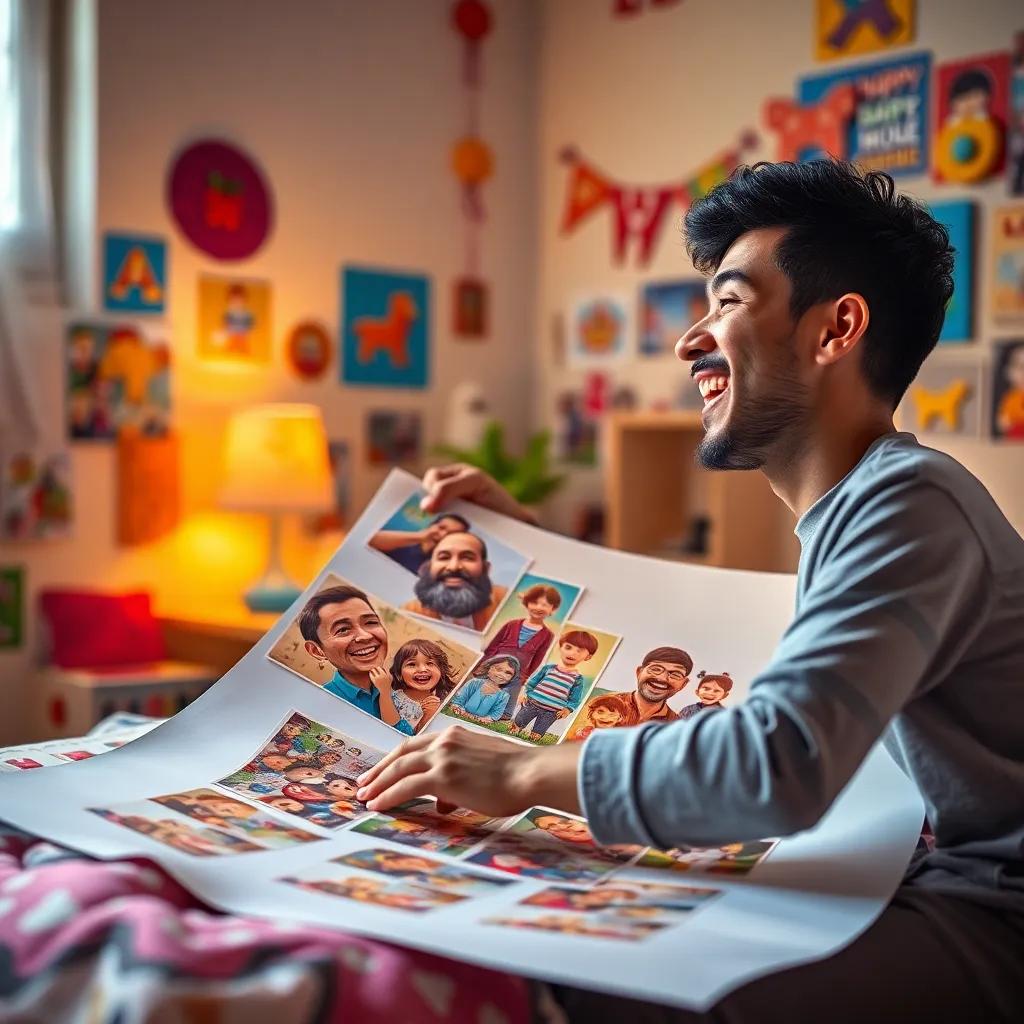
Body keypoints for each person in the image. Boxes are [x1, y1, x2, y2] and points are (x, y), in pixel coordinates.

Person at [356, 160, 1024, 1022]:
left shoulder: (907, 501)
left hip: (993, 911)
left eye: (731, 301)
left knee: (596, 987)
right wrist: (528, 542)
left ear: (836, 330)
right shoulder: (864, 507)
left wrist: (521, 770)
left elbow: (780, 758)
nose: (689, 340)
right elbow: (708, 655)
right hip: (924, 873)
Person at [297, 584, 415, 735]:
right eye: (343, 629)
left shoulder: (406, 685)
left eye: (371, 622)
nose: (365, 636)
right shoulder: (321, 706)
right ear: (317, 650)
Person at [402, 531, 508, 630]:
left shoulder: (507, 602)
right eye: (444, 557)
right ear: (429, 567)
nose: (453, 567)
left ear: (485, 568)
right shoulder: (409, 613)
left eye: (467, 557)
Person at [482, 584, 562, 713]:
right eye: (534, 602)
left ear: (553, 609)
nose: (538, 607)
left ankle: (504, 713)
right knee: (484, 688)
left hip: (517, 673)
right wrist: (484, 664)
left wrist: (525, 676)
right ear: (527, 603)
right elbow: (492, 647)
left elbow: (537, 659)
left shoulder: (547, 635)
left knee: (511, 691)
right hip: (494, 667)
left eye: (545, 605)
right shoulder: (511, 624)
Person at [510, 630, 597, 741]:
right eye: (568, 647)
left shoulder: (578, 679)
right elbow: (532, 682)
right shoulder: (549, 668)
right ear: (560, 648)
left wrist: (568, 709)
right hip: (532, 703)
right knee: (519, 721)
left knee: (538, 731)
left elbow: (575, 699)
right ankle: (516, 729)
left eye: (579, 651)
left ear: (588, 656)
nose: (572, 653)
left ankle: (534, 736)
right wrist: (525, 694)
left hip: (552, 712)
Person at [387, 638, 458, 732]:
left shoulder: (442, 706)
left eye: (430, 663)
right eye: (412, 664)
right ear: (399, 673)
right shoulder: (392, 699)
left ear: (441, 671)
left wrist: (432, 713)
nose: (422, 669)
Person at [369, 512, 471, 574]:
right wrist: (420, 536)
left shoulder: (442, 565)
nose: (443, 534)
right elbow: (371, 540)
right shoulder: (403, 541)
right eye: (441, 527)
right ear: (431, 525)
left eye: (451, 534)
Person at [615, 646, 694, 725]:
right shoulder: (606, 703)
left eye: (676, 674)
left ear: (683, 684)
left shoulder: (675, 728)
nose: (662, 678)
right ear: (639, 672)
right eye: (655, 669)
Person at [447, 654, 521, 725]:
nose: (501, 674)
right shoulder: (474, 683)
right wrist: (467, 714)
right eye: (498, 669)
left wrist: (481, 719)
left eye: (508, 673)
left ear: (512, 678)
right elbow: (457, 702)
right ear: (489, 668)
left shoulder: (504, 696)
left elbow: (495, 715)